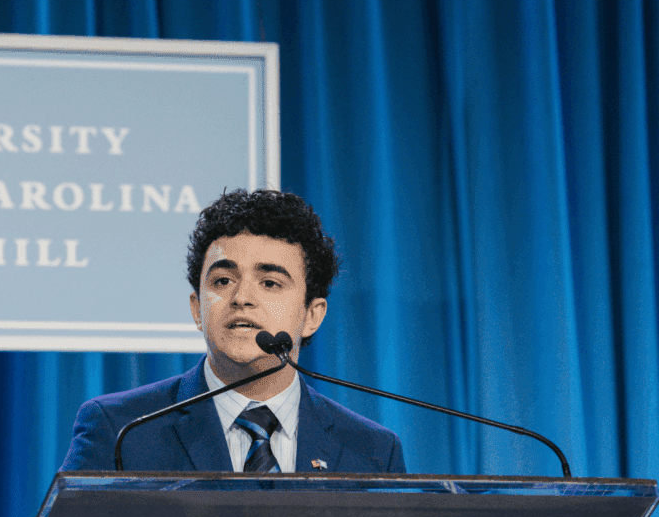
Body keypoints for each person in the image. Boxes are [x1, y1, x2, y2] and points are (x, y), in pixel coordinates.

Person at [60, 189, 405, 473]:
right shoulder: (123, 430)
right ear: (197, 309)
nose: (242, 298)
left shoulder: (372, 451)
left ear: (312, 315)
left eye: (270, 283)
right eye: (223, 281)